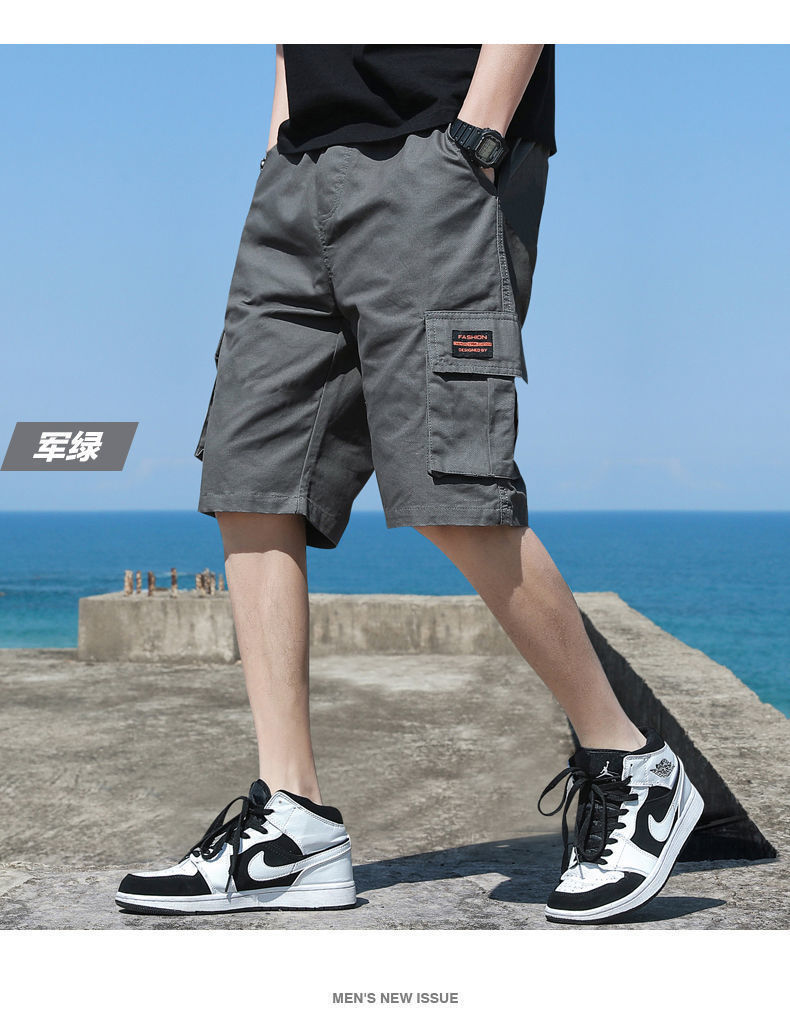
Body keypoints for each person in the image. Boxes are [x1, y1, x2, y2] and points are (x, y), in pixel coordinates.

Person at [116, 44, 704, 924]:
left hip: (439, 150)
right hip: (298, 171)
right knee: (249, 475)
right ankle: (293, 822)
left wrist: (479, 134)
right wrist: (279, 145)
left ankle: (633, 762)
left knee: (449, 479)